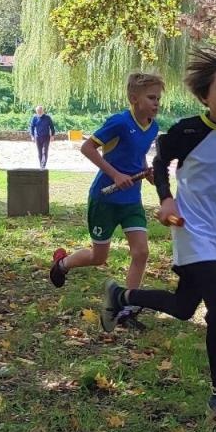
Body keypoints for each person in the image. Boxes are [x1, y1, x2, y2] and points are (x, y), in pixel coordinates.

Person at [101, 49, 216, 426]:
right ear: (206, 94)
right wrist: (166, 200)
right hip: (187, 226)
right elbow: (160, 162)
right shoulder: (187, 130)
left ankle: (121, 296)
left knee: (185, 306)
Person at [48, 74, 163, 329]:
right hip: (105, 197)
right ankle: (62, 264)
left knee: (141, 252)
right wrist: (115, 174)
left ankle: (127, 311)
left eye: (158, 98)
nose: (157, 103)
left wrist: (147, 172)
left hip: (132, 200)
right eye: (151, 98)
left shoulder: (153, 126)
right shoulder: (119, 122)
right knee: (99, 256)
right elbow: (87, 148)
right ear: (134, 99)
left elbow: (138, 156)